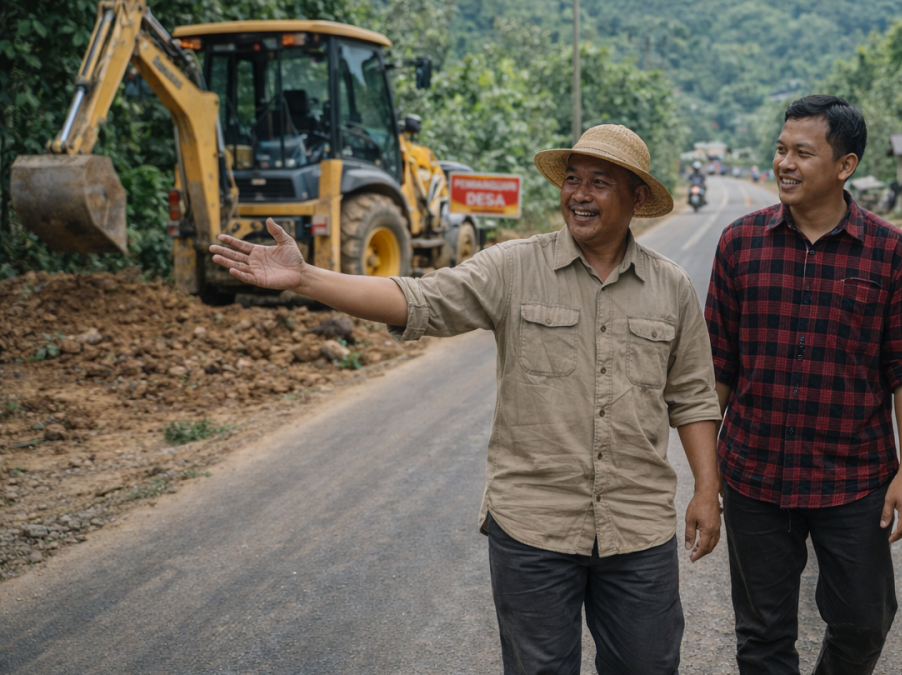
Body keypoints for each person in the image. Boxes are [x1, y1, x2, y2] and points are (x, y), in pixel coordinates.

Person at [209, 124, 724, 675]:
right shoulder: (513, 267)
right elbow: (418, 300)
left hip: (637, 527)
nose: (579, 194)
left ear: (637, 198)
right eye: (573, 180)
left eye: (600, 183)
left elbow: (692, 397)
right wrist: (306, 278)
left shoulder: (671, 287)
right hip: (534, 529)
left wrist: (706, 492)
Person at [704, 94, 902, 674]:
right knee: (762, 637)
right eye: (781, 149)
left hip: (854, 477)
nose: (785, 162)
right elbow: (716, 370)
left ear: (845, 165)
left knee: (864, 620)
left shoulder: (892, 254)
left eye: (803, 152)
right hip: (754, 472)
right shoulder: (740, 244)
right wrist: (707, 479)